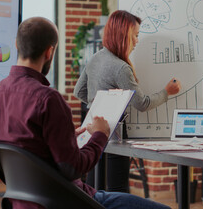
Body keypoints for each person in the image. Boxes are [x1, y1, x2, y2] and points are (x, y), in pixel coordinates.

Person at [0, 17, 170, 209]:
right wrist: (99, 135)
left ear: (16, 45)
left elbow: (28, 149)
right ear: (49, 52)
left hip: (22, 202)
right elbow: (73, 168)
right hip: (67, 200)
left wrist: (66, 138)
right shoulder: (48, 100)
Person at [74, 10, 181, 192]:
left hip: (92, 134)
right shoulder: (121, 68)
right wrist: (166, 92)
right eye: (136, 36)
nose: (137, 41)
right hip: (113, 136)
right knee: (118, 190)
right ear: (124, 36)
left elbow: (79, 91)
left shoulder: (96, 58)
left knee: (93, 188)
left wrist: (100, 104)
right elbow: (142, 103)